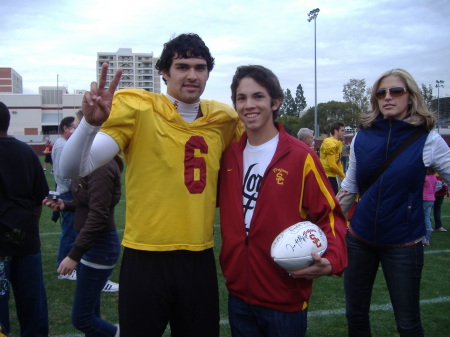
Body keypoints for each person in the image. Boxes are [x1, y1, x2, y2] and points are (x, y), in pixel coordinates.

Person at [60, 33, 242, 336]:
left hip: (199, 255)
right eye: (182, 66)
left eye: (200, 67)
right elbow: (73, 167)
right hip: (145, 256)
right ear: (164, 73)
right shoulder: (140, 109)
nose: (192, 75)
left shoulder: (224, 119)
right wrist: (90, 125)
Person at [219, 65, 348, 337]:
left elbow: (331, 216)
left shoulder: (301, 156)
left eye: (258, 97)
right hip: (238, 294)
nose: (248, 105)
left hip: (284, 295)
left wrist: (333, 259)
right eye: (241, 98)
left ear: (275, 102)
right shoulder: (229, 156)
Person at [336, 68, 450, 336]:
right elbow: (349, 189)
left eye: (396, 91)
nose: (387, 97)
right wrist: (323, 227)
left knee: (408, 323)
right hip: (359, 238)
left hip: (404, 243)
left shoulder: (429, 139)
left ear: (410, 97)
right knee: (355, 315)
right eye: (381, 92)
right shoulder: (361, 137)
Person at [45, 155, 123, 337]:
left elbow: (98, 215)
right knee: (92, 313)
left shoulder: (100, 166)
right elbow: (86, 203)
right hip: (93, 245)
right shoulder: (91, 162)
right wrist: (66, 205)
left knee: (83, 318)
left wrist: (73, 255)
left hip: (99, 247)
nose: (74, 134)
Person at [0, 101, 49, 337]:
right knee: (32, 306)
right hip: (26, 238)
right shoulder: (27, 153)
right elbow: (40, 198)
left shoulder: (26, 152)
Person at [52, 115, 80, 280]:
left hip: (68, 191)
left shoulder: (65, 144)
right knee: (69, 232)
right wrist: (77, 186)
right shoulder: (62, 146)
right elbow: (62, 174)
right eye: (74, 127)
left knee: (72, 230)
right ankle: (63, 271)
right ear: (65, 128)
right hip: (67, 192)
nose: (76, 130)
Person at [319, 122, 346, 194]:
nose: (344, 133)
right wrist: (343, 175)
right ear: (335, 131)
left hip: (333, 175)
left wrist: (342, 175)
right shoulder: (329, 143)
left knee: (335, 196)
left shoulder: (339, 142)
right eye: (342, 130)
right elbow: (332, 165)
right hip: (326, 175)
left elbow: (338, 161)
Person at [422, 167, 437, 246]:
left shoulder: (424, 177)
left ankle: (423, 237)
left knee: (421, 218)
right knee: (427, 218)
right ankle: (427, 238)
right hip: (431, 199)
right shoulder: (434, 177)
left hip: (424, 198)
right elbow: (435, 188)